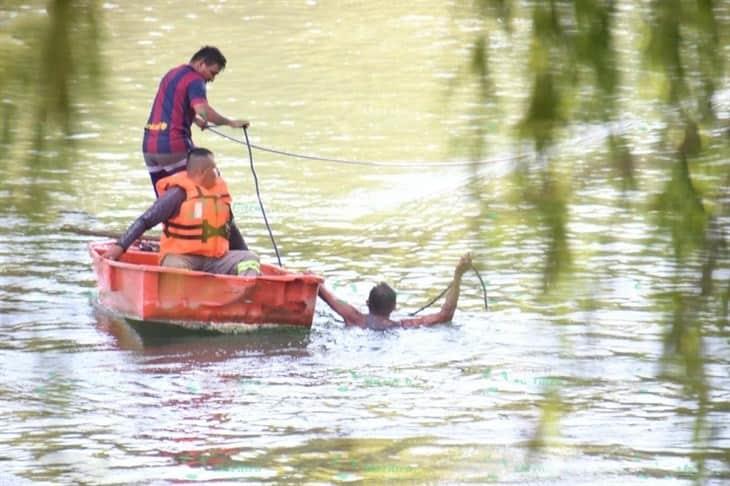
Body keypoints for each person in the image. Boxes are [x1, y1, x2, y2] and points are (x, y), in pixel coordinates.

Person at [105, 148, 260, 277]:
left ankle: (240, 295)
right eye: (215, 168)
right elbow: (146, 220)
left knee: (249, 259)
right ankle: (184, 303)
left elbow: (231, 231)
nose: (218, 172)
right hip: (181, 259)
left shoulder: (219, 195)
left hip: (215, 260)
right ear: (203, 172)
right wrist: (121, 245)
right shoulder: (177, 194)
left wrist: (244, 254)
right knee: (177, 268)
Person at [143, 45, 249, 192]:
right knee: (204, 184)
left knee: (164, 198)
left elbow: (173, 104)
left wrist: (194, 119)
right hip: (173, 147)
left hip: (149, 148)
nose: (212, 79)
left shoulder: (172, 73)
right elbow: (203, 110)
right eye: (212, 73)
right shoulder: (195, 80)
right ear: (201, 64)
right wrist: (230, 123)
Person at [317, 253, 472, 329]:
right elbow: (445, 315)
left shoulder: (355, 318)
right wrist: (458, 276)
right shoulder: (402, 325)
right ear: (394, 307)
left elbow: (327, 296)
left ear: (367, 303)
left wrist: (313, 278)